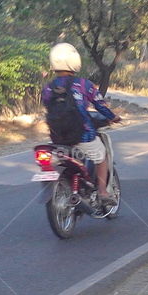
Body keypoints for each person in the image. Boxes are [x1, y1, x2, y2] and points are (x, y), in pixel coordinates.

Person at [42, 42, 121, 206]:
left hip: (57, 138)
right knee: (101, 158)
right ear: (74, 61)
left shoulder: (48, 88)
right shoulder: (84, 84)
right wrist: (113, 117)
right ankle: (102, 191)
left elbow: (50, 108)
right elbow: (100, 105)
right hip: (83, 135)